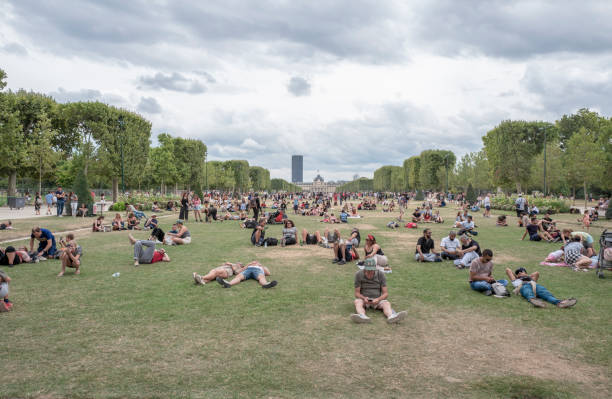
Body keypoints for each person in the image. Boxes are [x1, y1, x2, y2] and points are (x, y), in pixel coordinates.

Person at [350, 258, 407, 324]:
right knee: (357, 301)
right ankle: (362, 316)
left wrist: (378, 299)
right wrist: (364, 298)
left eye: (372, 270)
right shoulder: (359, 274)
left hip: (377, 299)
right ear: (364, 268)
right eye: (368, 270)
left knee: (386, 303)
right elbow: (357, 293)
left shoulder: (381, 274)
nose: (370, 272)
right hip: (364, 300)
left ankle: (391, 316)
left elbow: (385, 293)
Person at [505, 267, 577, 308]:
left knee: (546, 293)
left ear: (526, 273)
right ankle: (535, 301)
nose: (520, 273)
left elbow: (537, 273)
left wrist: (527, 276)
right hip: (522, 286)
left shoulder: (531, 279)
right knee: (527, 292)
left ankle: (560, 303)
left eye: (522, 271)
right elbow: (508, 270)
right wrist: (517, 276)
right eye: (518, 273)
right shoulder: (516, 281)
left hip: (535, 285)